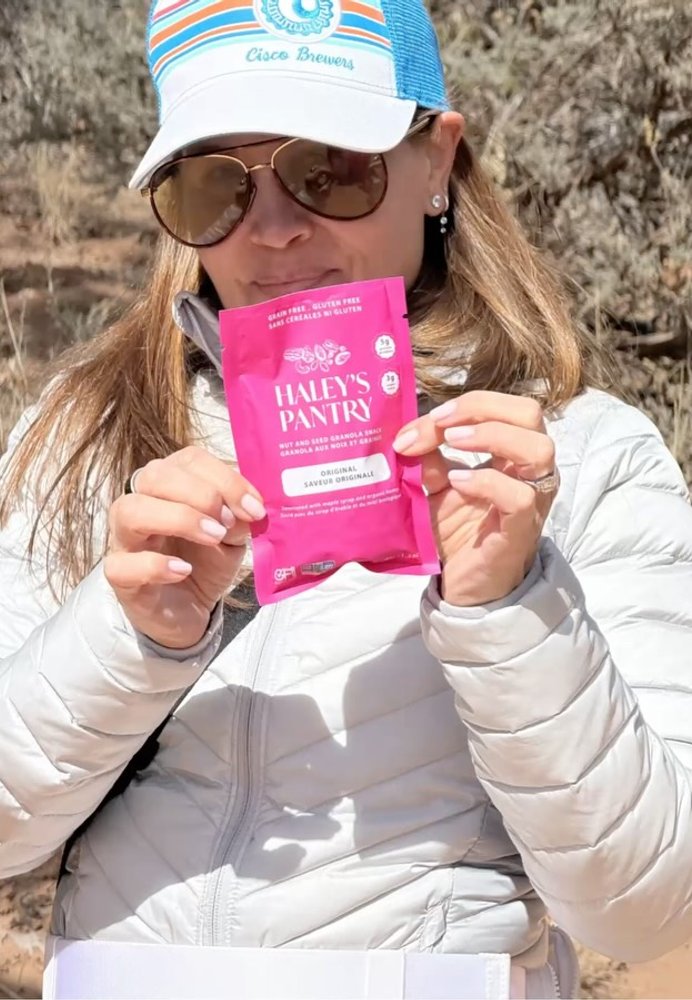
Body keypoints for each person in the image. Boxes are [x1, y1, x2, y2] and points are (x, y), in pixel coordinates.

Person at [1, 0, 691, 997]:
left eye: (330, 168)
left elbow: (650, 907)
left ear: (435, 161)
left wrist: (508, 608)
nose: (274, 231)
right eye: (213, 188)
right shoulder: (88, 434)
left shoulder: (581, 457)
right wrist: (128, 636)